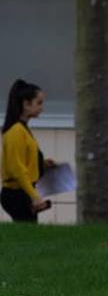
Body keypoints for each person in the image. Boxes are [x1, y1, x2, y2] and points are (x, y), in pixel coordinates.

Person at [2, 79, 53, 223]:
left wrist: (41, 164)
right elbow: (16, 169)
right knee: (28, 232)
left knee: (29, 233)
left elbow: (23, 160)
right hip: (17, 194)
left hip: (22, 192)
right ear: (26, 104)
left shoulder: (23, 129)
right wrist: (35, 196)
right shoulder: (16, 131)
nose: (42, 107)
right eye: (39, 103)